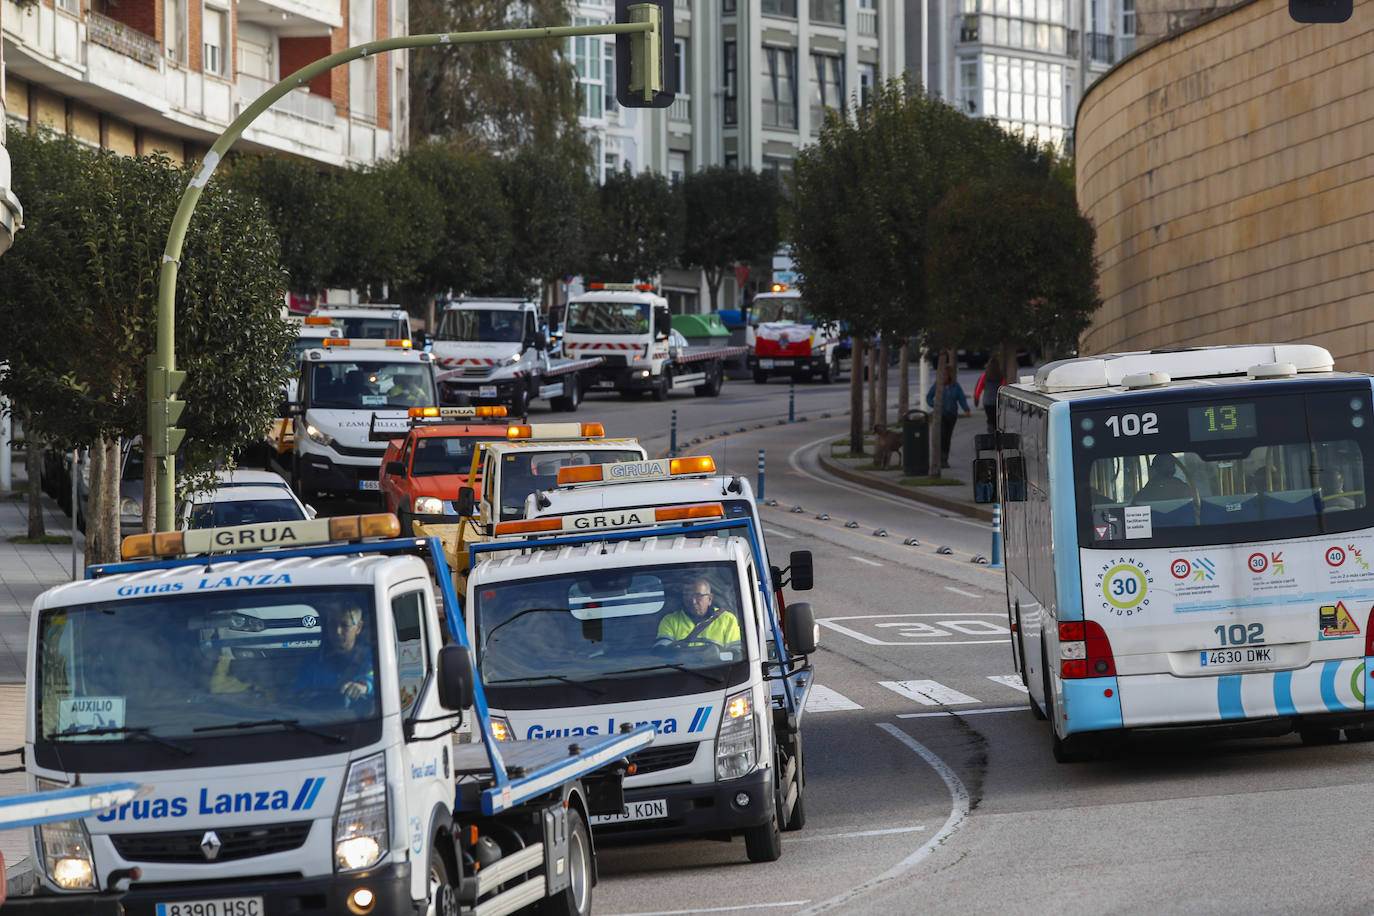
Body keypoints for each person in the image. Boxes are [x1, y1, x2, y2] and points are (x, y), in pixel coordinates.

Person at [293, 602, 375, 707]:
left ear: (358, 627)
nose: (337, 631)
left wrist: (364, 686)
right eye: (332, 624)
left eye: (345, 625)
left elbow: (379, 681)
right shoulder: (312, 661)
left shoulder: (372, 657)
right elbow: (299, 696)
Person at [656, 577, 741, 648]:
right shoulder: (670, 621)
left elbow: (736, 652)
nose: (693, 601)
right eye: (688, 596)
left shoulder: (727, 619)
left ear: (710, 599)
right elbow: (663, 652)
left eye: (698, 596)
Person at [925, 366, 972, 469]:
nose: (944, 377)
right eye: (943, 375)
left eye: (946, 375)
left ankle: (944, 459)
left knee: (947, 438)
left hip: (952, 415)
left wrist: (966, 409)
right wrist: (934, 404)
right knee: (941, 436)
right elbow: (928, 397)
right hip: (940, 415)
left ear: (950, 376)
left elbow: (961, 398)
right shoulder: (937, 385)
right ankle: (939, 459)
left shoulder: (955, 386)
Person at [973, 356, 1005, 434]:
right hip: (997, 402)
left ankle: (990, 436)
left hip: (987, 402)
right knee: (997, 420)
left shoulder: (984, 376)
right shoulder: (1001, 377)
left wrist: (976, 399)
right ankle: (998, 436)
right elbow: (1003, 389)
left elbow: (978, 389)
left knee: (990, 420)